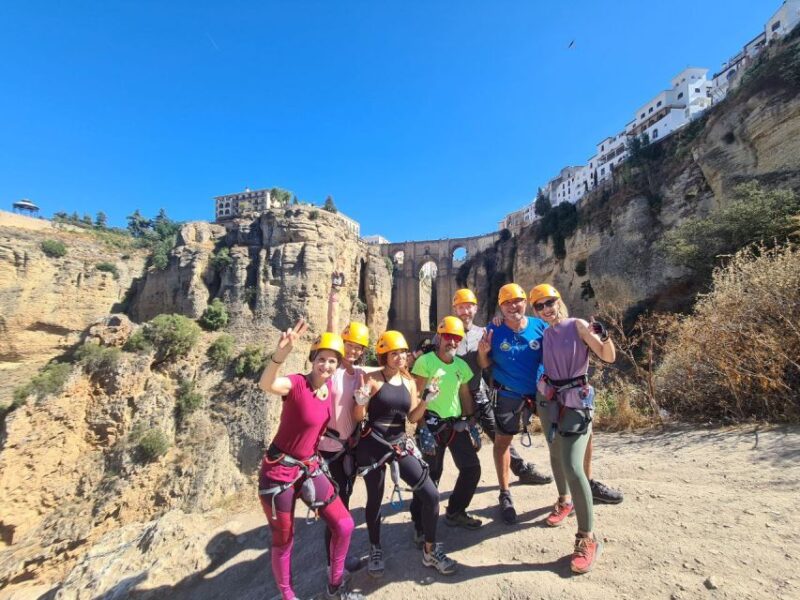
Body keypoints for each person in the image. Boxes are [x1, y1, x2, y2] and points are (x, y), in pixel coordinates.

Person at [257, 320, 363, 600]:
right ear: (312, 360)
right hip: (278, 472)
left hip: (309, 467)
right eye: (321, 360)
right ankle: (288, 596)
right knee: (284, 539)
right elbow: (266, 383)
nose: (326, 365)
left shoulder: (331, 392)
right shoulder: (297, 384)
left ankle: (335, 584)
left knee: (344, 524)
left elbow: (364, 374)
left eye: (331, 361)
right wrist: (280, 354)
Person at [353, 331, 457, 577]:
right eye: (394, 353)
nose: (400, 357)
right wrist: (359, 402)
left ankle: (430, 551)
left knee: (431, 494)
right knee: (375, 498)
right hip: (374, 444)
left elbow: (412, 417)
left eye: (402, 352)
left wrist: (426, 401)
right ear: (384, 356)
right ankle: (375, 546)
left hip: (399, 442)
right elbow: (358, 417)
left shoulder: (409, 381)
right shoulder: (372, 379)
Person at [529, 284, 615, 574]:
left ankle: (587, 538)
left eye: (549, 302)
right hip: (550, 398)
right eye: (539, 306)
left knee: (572, 465)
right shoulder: (544, 331)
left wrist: (603, 334)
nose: (545, 309)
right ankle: (563, 501)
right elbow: (517, 324)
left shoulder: (576, 325)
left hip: (576, 400)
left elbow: (607, 355)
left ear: (559, 300)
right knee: (554, 453)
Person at [449, 288, 552, 486]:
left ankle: (521, 470)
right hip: (451, 397)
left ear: (475, 309)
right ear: (455, 309)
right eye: (461, 307)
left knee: (500, 437)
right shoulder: (446, 334)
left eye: (468, 307)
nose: (465, 311)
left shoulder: (486, 332)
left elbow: (487, 362)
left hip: (478, 393)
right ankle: (433, 483)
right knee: (449, 440)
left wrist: (500, 322)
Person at [477, 283, 548, 524]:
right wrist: (483, 353)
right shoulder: (493, 330)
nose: (512, 306)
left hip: (540, 394)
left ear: (525, 302)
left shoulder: (540, 327)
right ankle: (505, 493)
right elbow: (485, 365)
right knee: (502, 442)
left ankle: (567, 493)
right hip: (507, 395)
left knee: (558, 439)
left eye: (516, 301)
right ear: (500, 306)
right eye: (506, 302)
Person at [410, 316, 482, 534]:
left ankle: (456, 511)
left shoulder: (461, 365)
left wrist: (471, 422)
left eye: (456, 338)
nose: (452, 342)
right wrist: (422, 428)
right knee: (430, 476)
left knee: (471, 469)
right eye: (448, 337)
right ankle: (420, 526)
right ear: (440, 337)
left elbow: (464, 394)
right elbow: (416, 394)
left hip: (455, 424)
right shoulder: (426, 362)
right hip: (430, 424)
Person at [322, 284, 370, 572]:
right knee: (335, 510)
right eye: (348, 344)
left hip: (348, 449)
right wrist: (334, 298)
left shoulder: (360, 375)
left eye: (357, 347)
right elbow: (330, 332)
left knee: (344, 502)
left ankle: (337, 557)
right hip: (326, 451)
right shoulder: (333, 368)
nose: (352, 350)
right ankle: (333, 564)